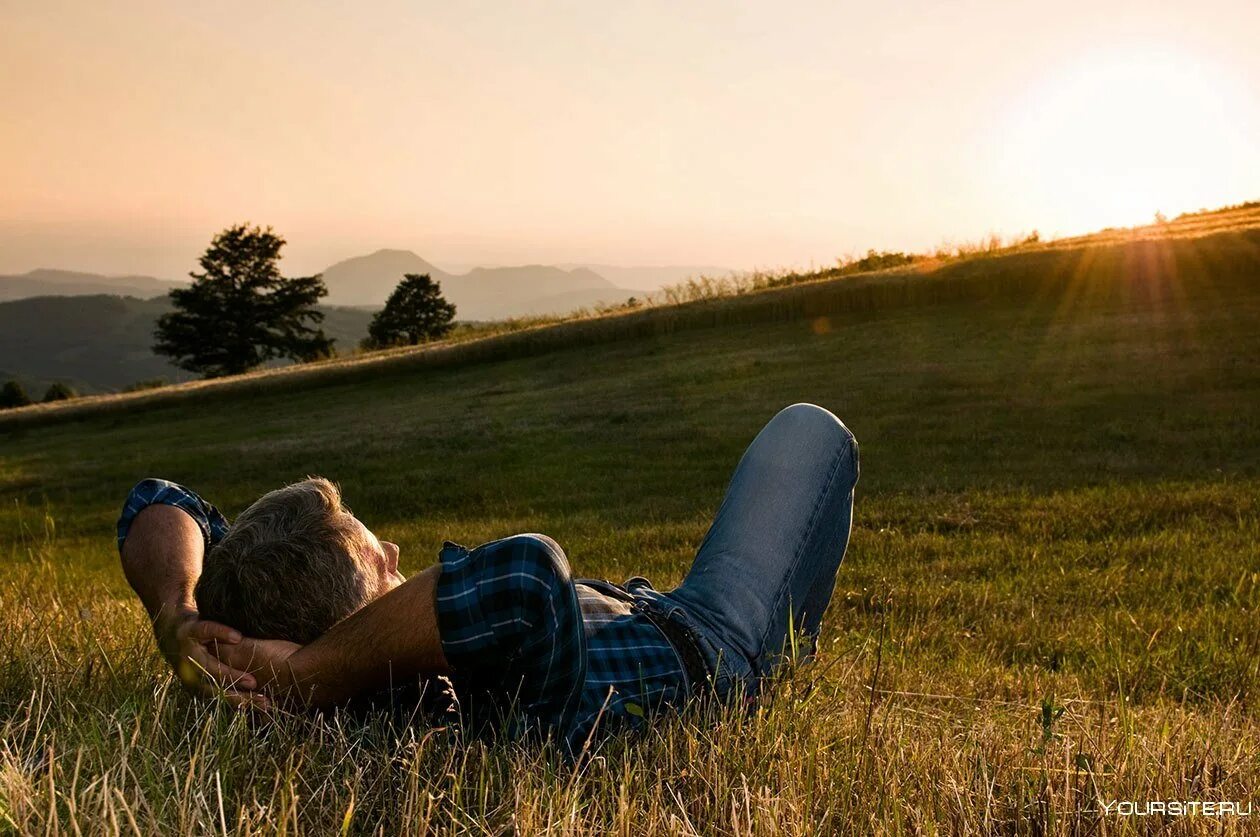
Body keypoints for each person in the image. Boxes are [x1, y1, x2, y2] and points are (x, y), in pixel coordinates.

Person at [119, 403, 859, 752]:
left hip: (637, 603)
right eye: (386, 562)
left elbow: (157, 499)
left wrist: (176, 613)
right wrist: (312, 673)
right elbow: (529, 573)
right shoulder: (454, 696)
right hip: (714, 643)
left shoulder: (251, 611)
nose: (401, 553)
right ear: (363, 618)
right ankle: (784, 654)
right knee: (811, 431)